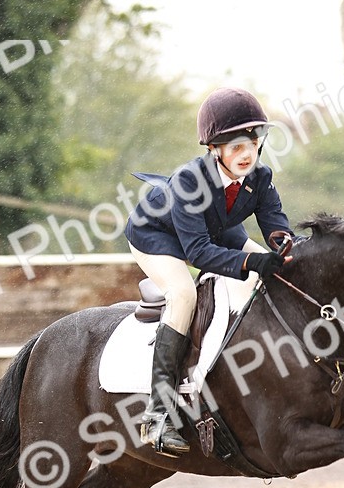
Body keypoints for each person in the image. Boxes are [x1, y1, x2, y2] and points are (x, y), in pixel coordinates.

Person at [125, 87, 294, 457]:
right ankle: (158, 414)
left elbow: (277, 228)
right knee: (183, 295)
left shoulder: (260, 177)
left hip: (214, 228)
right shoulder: (190, 181)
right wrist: (251, 264)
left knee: (278, 271)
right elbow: (199, 253)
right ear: (215, 149)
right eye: (236, 146)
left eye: (252, 142)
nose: (247, 154)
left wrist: (287, 250)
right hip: (157, 234)